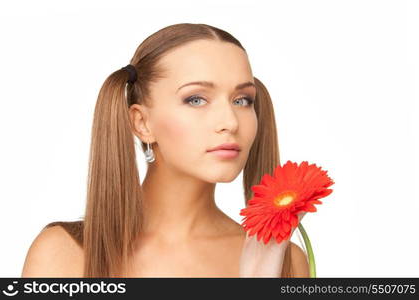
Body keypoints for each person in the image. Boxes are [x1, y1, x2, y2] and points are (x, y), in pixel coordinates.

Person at [21, 23, 310, 278]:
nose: (230, 122)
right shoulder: (63, 254)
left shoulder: (286, 261)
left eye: (242, 100)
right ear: (142, 122)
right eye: (196, 99)